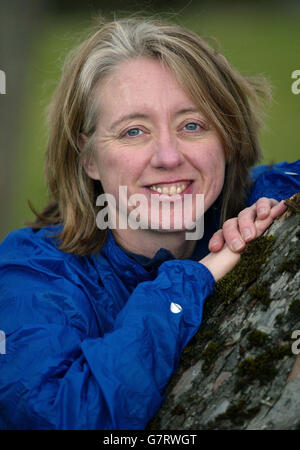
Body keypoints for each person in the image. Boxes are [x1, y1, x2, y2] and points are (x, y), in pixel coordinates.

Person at [0, 16, 299, 430]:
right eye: (133, 131)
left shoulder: (269, 199)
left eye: (192, 125)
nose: (168, 156)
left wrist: (273, 210)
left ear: (227, 137)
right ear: (88, 157)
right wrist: (192, 279)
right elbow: (58, 417)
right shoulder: (31, 272)